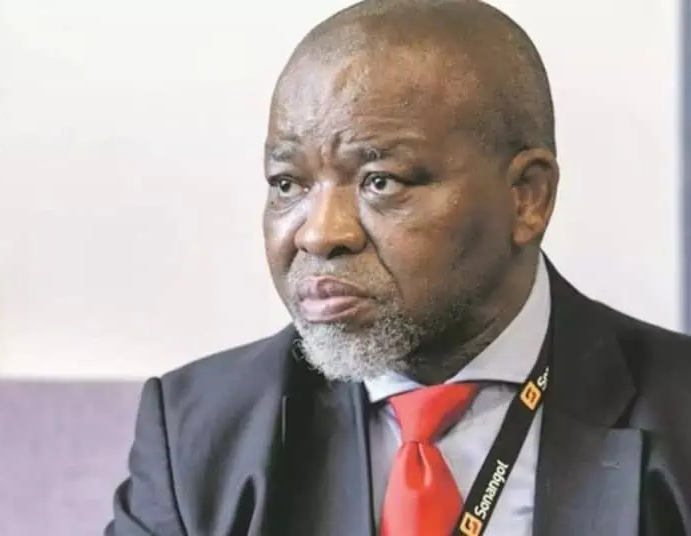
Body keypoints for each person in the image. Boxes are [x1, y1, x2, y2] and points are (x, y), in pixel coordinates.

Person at [105, 0, 691, 534]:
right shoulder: (197, 433)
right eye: (288, 184)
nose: (319, 233)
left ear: (526, 198)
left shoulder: (677, 409)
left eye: (380, 181)